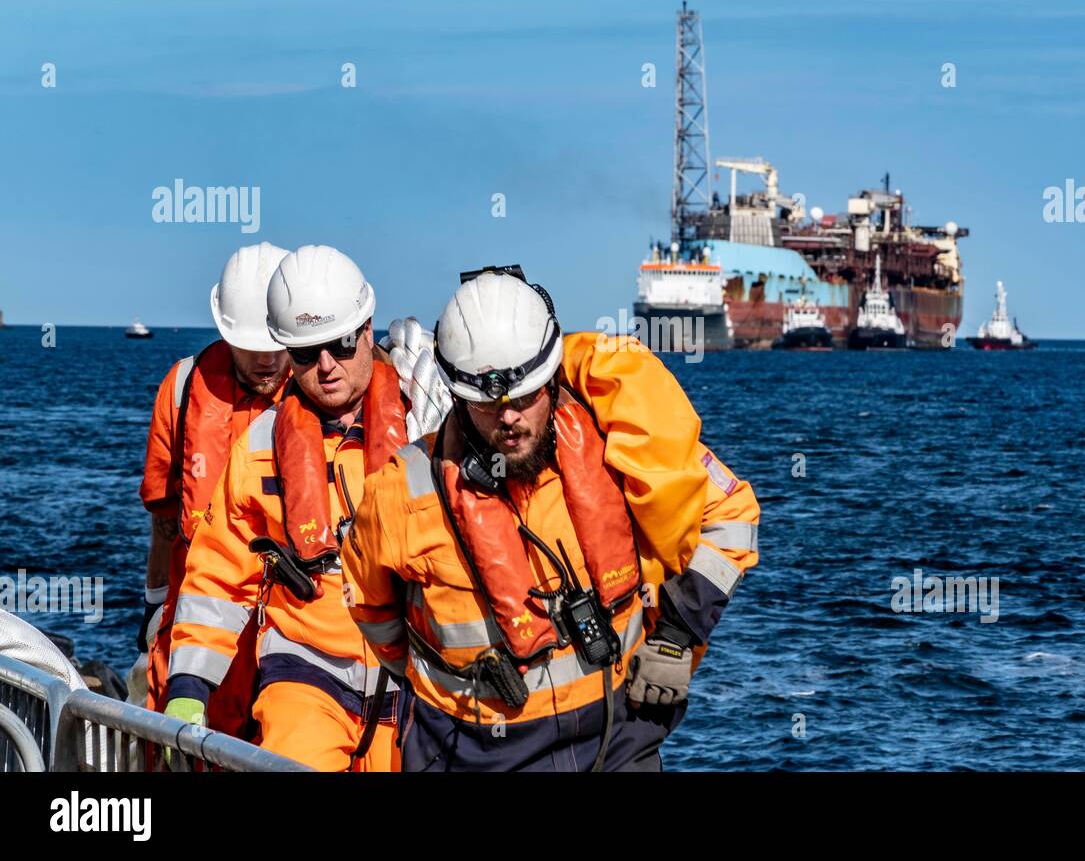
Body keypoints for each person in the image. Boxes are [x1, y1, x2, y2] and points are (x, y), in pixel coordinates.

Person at [344, 265, 759, 771]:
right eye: (487, 405)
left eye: (525, 397)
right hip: (474, 757)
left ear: (554, 379)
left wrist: (676, 636)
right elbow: (371, 606)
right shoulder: (400, 493)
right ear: (457, 395)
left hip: (619, 744)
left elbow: (732, 515)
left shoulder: (620, 448)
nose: (511, 418)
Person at [164, 246, 448, 771]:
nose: (325, 366)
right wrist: (188, 684)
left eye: (340, 344)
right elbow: (219, 575)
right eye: (305, 352)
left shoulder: (428, 429)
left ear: (367, 332)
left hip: (415, 685)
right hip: (305, 677)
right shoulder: (260, 445)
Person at [135, 242, 289, 735]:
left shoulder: (327, 400)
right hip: (189, 631)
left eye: (275, 343)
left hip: (290, 644)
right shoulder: (182, 389)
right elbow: (164, 518)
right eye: (251, 344)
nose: (266, 359)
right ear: (225, 330)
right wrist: (153, 604)